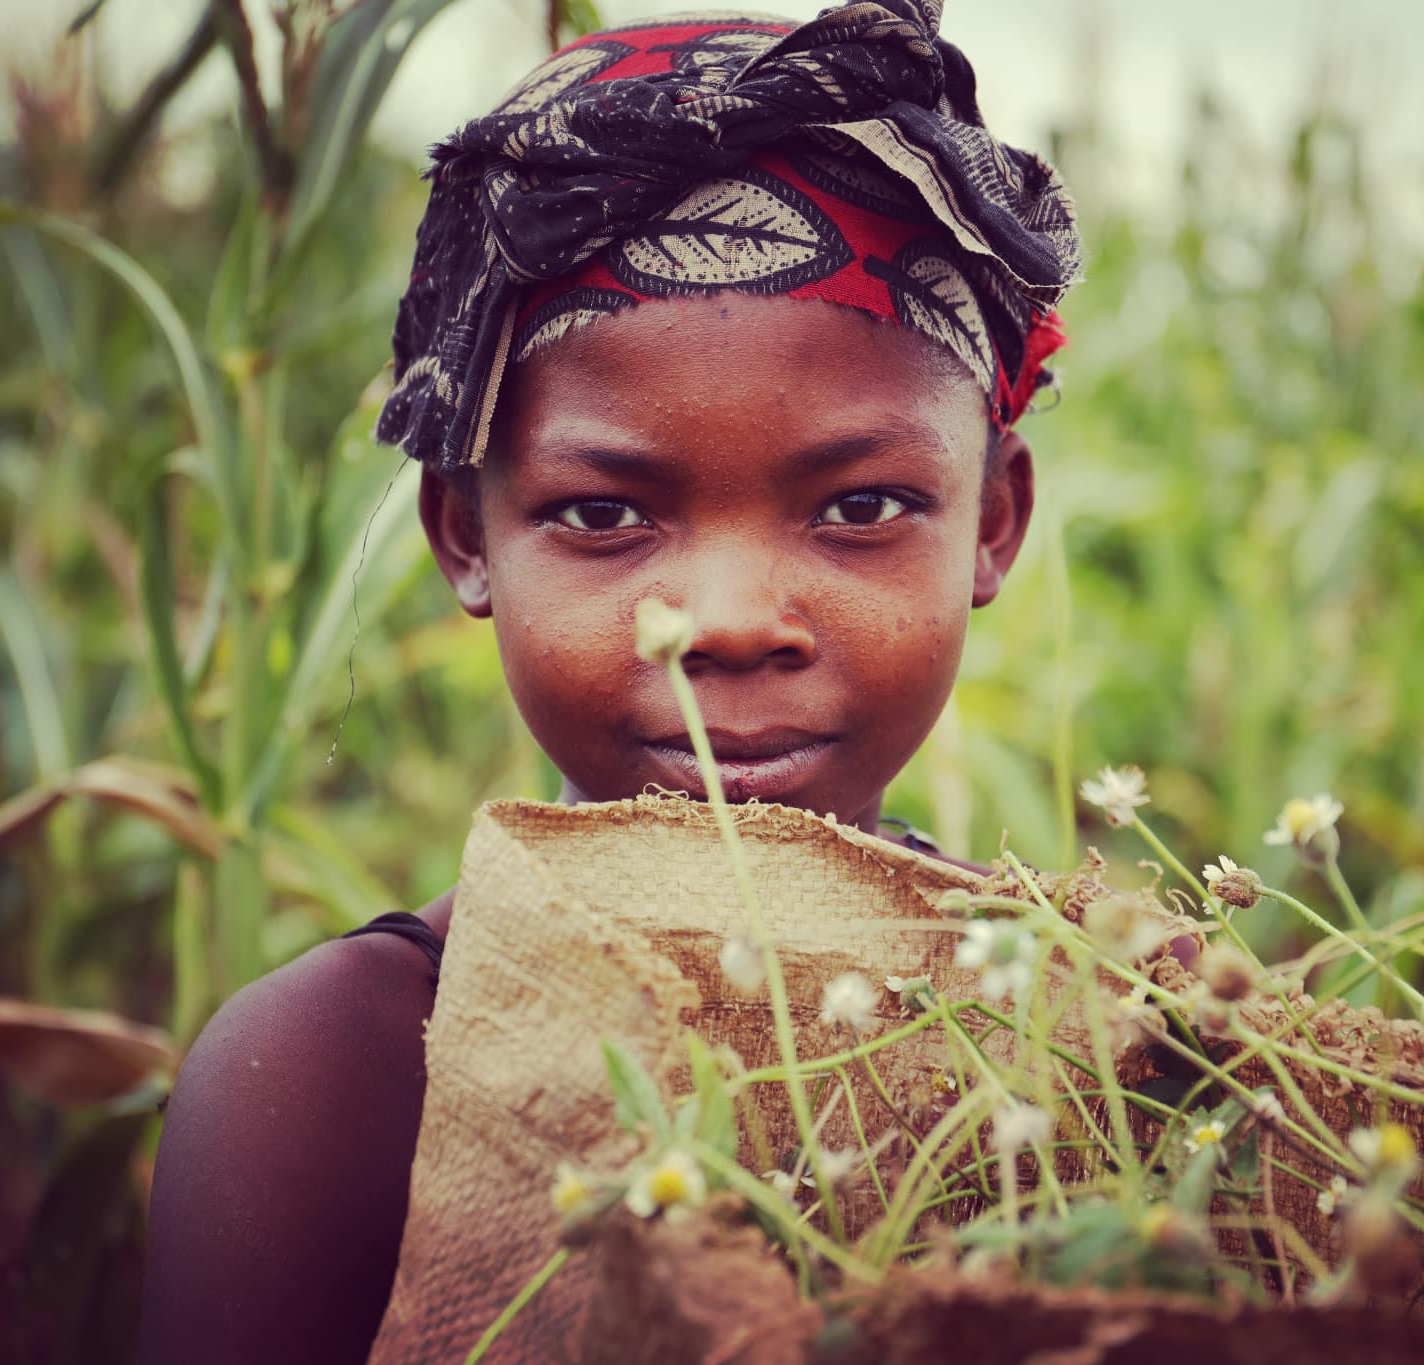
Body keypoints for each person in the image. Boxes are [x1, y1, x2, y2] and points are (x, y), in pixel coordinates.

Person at [136, 5, 1080, 1361]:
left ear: (993, 522)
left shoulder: (1073, 1047)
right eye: (603, 517)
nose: (730, 623)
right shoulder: (331, 1083)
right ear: (465, 534)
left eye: (861, 505)